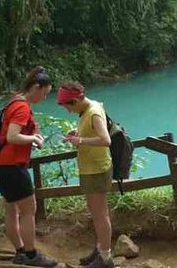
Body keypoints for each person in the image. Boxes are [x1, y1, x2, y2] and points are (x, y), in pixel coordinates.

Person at [0, 66, 57, 267]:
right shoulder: (21, 107)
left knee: (11, 210)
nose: (44, 98)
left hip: (1, 165)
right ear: (36, 87)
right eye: (44, 94)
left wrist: (32, 137)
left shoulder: (14, 100)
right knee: (30, 210)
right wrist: (34, 139)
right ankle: (31, 255)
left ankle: (20, 252)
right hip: (12, 166)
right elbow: (12, 136)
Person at [58, 82, 114, 268]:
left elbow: (105, 140)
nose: (67, 110)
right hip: (91, 168)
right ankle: (100, 250)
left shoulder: (94, 112)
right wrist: (78, 133)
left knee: (100, 214)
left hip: (97, 170)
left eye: (68, 106)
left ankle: (105, 258)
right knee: (96, 212)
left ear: (78, 99)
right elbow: (92, 131)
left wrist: (80, 139)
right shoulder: (88, 108)